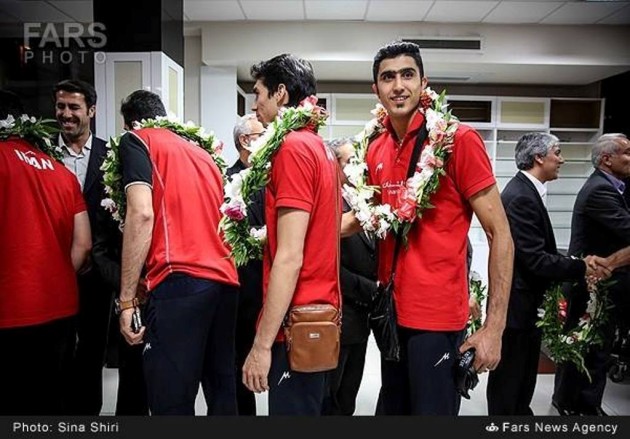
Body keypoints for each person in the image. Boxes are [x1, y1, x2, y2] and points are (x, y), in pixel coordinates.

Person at [341, 41, 514, 415]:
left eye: (408, 75)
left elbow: (500, 233)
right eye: (388, 77)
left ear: (424, 82)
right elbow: (362, 217)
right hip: (389, 314)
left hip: (436, 318)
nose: (398, 85)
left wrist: (494, 327)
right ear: (376, 89)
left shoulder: (457, 140)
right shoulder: (375, 146)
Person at [116, 90, 239, 415]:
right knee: (222, 395)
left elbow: (141, 213)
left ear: (132, 124)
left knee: (171, 400)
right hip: (225, 282)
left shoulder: (137, 140)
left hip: (179, 280)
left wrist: (127, 300)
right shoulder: (203, 154)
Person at [241, 54, 341, 416]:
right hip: (316, 311)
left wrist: (262, 345)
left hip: (296, 321)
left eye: (259, 94)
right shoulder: (319, 146)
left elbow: (289, 255)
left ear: (280, 93)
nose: (256, 105)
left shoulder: (294, 147)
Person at [487, 132, 610, 415]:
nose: (561, 159)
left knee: (520, 382)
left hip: (525, 308)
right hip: (518, 308)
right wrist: (580, 266)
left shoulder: (526, 191)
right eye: (557, 152)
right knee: (511, 384)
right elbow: (535, 260)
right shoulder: (521, 197)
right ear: (539, 157)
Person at [0, 94, 92, 414]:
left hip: (10, 309)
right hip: (61, 307)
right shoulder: (61, 172)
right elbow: (83, 244)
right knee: (51, 400)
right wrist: (52, 275)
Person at [553, 133, 630, 416]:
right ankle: (582, 407)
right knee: (589, 347)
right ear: (607, 159)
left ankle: (570, 401)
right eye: (626, 152)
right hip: (593, 283)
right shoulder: (600, 189)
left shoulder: (613, 186)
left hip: (602, 281)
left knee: (588, 344)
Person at [53, 79, 112, 415]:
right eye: (61, 106)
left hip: (96, 271)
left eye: (74, 107)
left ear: (91, 110)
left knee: (92, 348)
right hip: (54, 267)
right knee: (56, 347)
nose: (66, 114)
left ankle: (88, 416)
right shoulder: (43, 152)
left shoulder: (110, 153)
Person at [323, 137, 377, 416]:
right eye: (351, 161)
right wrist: (373, 289)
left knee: (348, 397)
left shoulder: (364, 202)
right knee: (330, 397)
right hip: (339, 317)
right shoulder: (331, 205)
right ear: (335, 166)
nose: (359, 167)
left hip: (361, 320)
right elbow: (329, 265)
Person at [92, 201, 149, 415]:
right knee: (133, 380)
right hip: (132, 300)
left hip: (172, 294)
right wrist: (130, 283)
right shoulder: (112, 196)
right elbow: (100, 252)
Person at [227, 113, 266, 415]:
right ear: (245, 140)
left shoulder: (274, 175)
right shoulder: (225, 181)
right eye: (261, 133)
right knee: (240, 361)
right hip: (242, 287)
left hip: (275, 282)